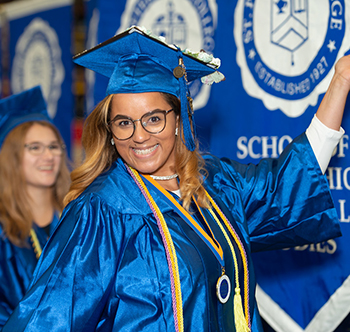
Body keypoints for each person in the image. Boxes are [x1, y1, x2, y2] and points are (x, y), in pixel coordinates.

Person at [2, 26, 348, 332]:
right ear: (110, 132)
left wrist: (340, 83)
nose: (139, 136)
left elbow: (290, 184)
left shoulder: (216, 183)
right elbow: (49, 316)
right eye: (124, 123)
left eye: (153, 119)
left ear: (179, 118)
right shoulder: (101, 211)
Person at [0, 86, 70, 327]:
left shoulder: (77, 217)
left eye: (53, 146)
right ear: (12, 157)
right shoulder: (2, 233)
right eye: (35, 147)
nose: (48, 156)